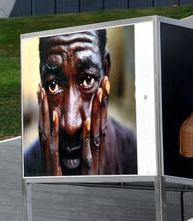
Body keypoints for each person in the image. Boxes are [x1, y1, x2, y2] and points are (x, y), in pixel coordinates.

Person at [24, 30, 137, 176]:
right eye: (53, 85)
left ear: (106, 69)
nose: (71, 125)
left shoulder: (134, 155)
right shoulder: (28, 165)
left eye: (87, 80)